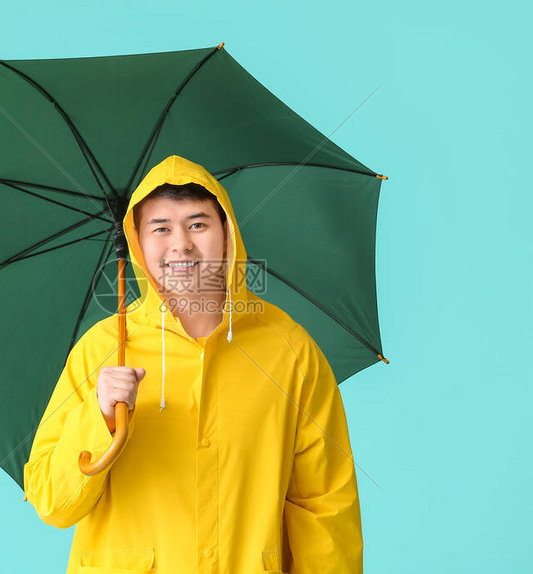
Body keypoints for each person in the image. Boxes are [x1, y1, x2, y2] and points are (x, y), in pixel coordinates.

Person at [24, 154, 363, 573]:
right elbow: (50, 502)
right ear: (137, 244)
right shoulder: (102, 350)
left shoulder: (290, 350)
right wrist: (99, 418)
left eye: (197, 223)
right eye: (160, 228)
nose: (180, 243)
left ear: (227, 233)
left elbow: (324, 505)